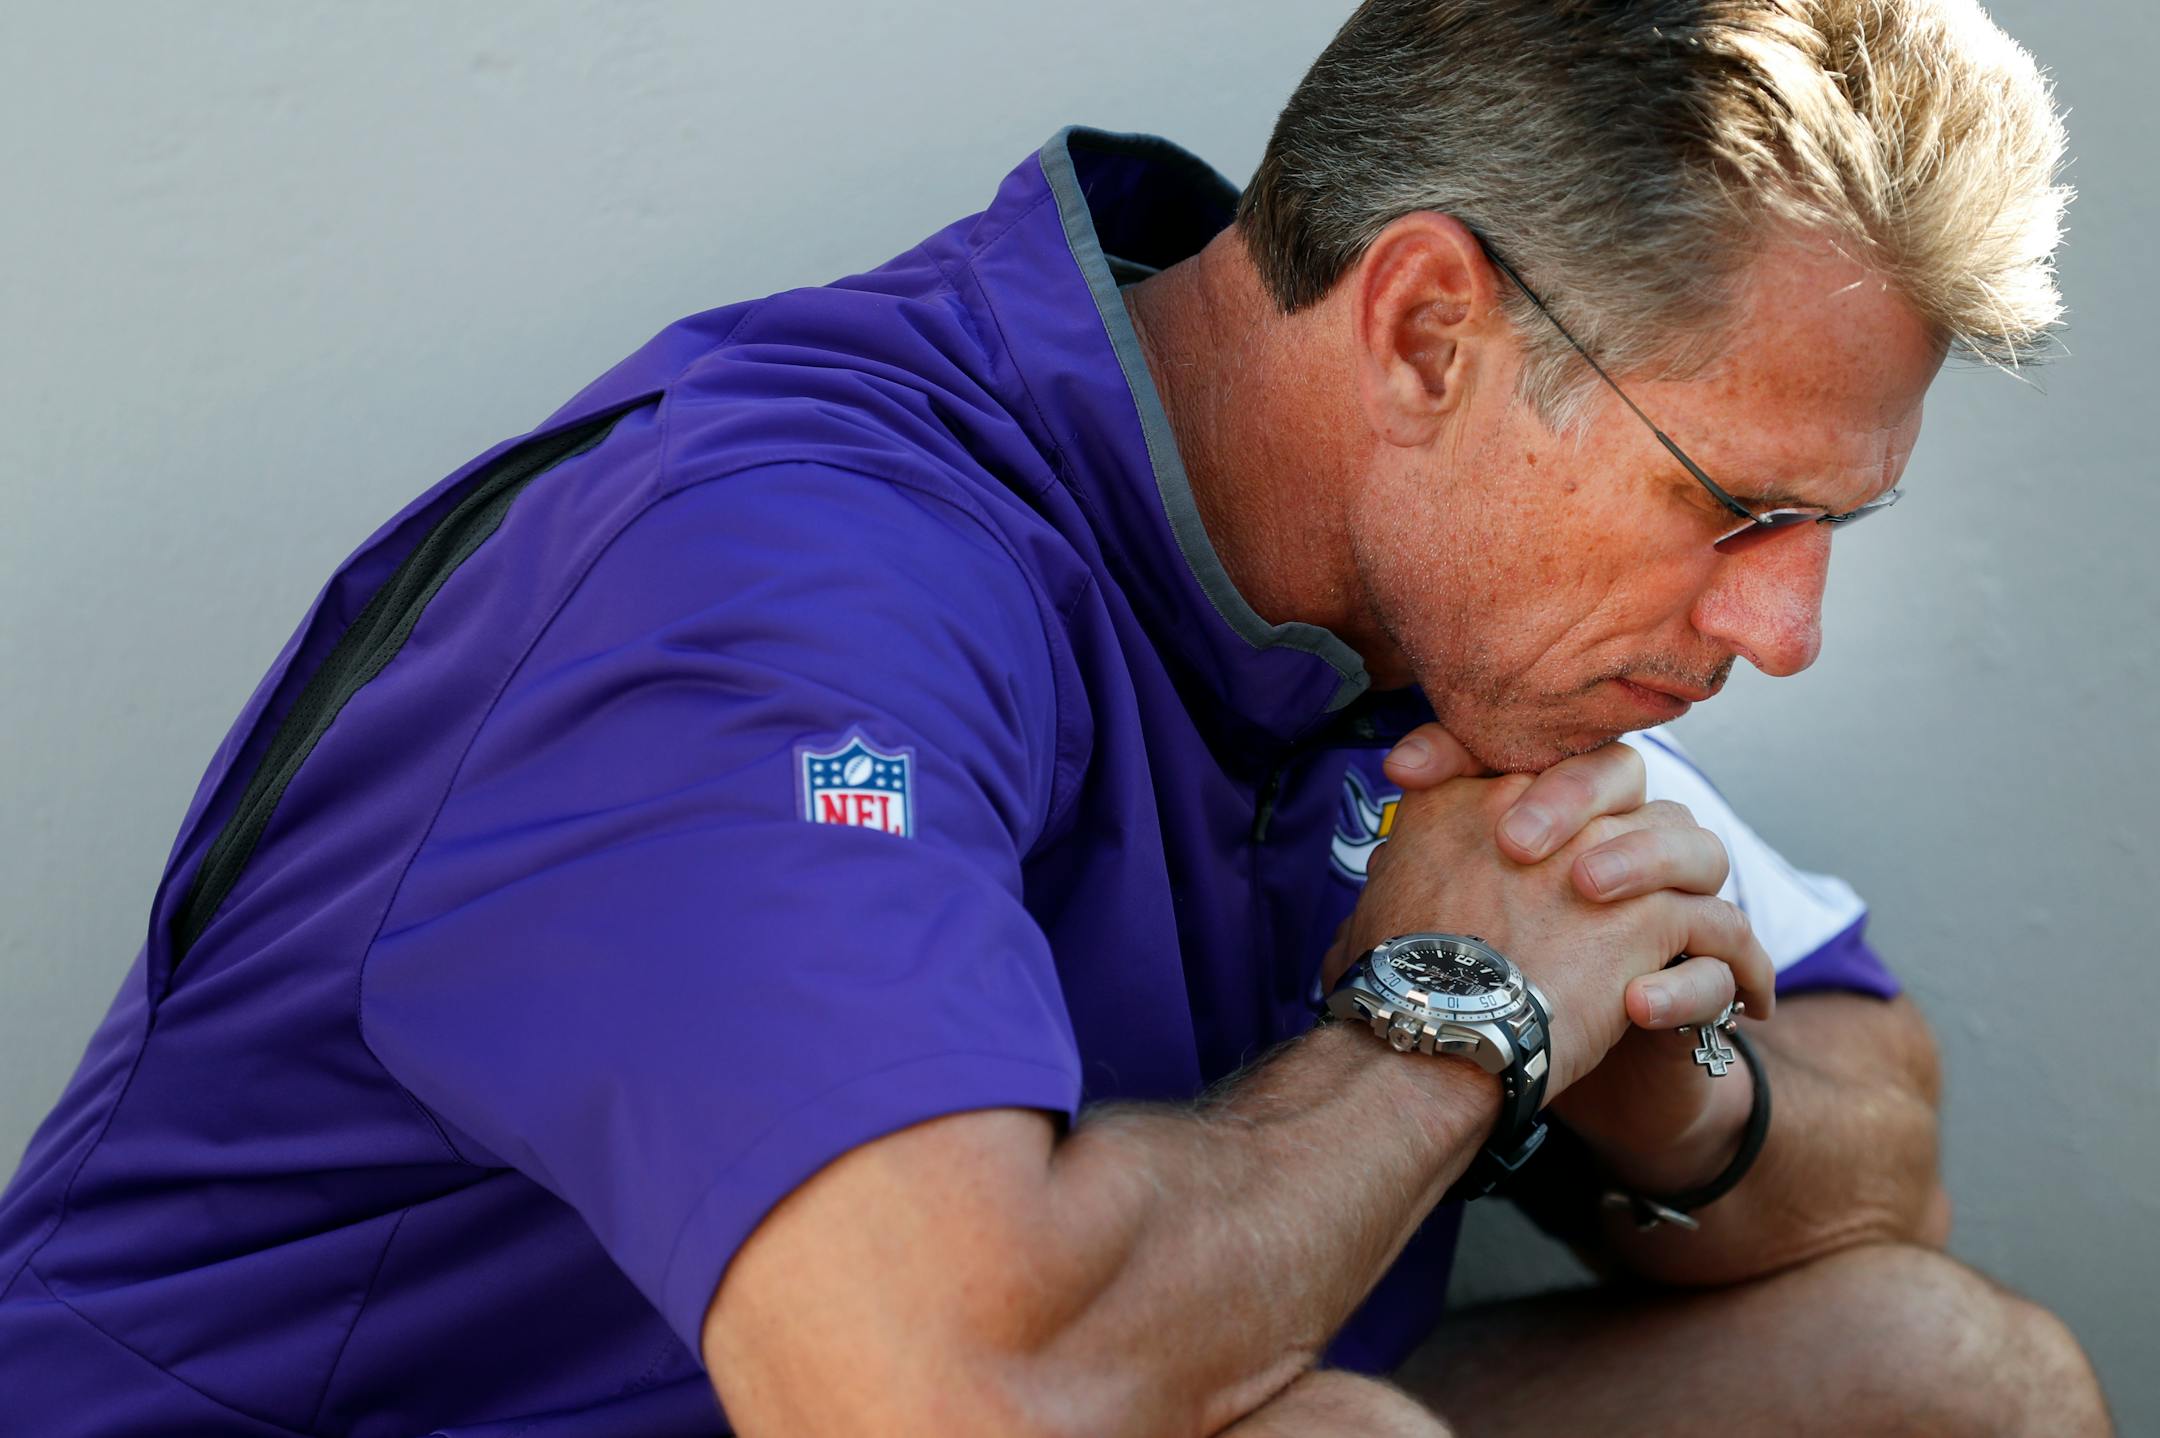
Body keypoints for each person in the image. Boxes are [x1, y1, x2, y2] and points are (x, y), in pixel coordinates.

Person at [0, 1, 2110, 1434]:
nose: (1789, 621)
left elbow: (1879, 1134)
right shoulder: (775, 591)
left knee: (1932, 1373)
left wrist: (1635, 1070)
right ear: (1431, 330)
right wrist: (1459, 1025)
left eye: (1826, 527)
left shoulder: (1461, 603)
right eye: (1740, 506)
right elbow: (945, 1381)